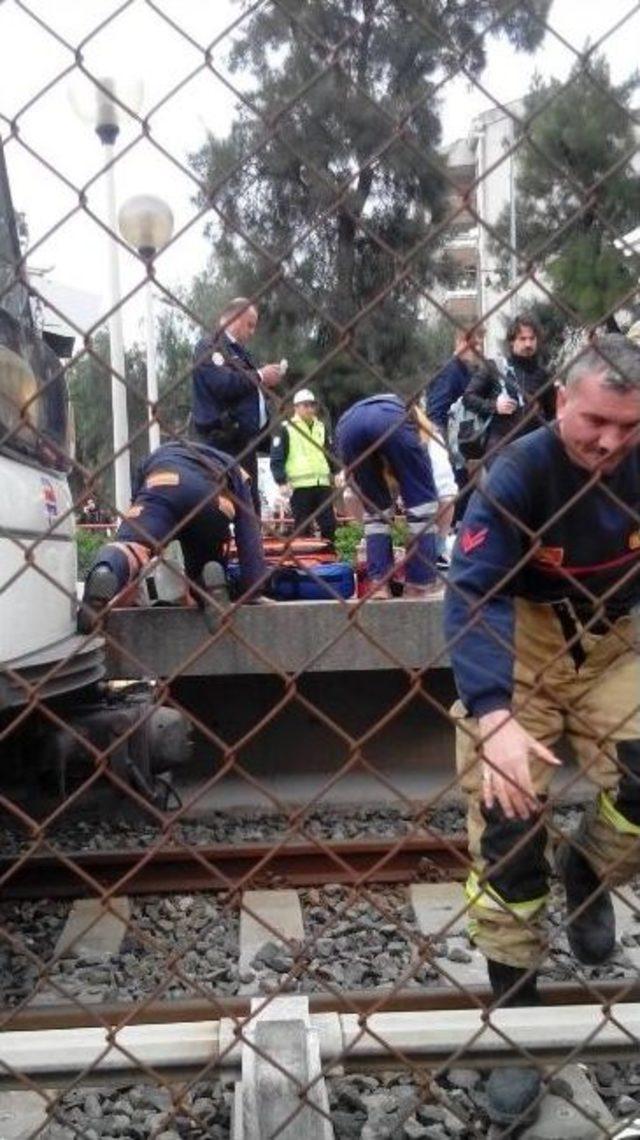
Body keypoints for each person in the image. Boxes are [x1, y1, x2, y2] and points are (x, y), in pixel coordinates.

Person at [443, 334, 640, 1126]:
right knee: (511, 827)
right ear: (562, 401)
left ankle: (589, 872)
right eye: (597, 421)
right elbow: (472, 594)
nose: (611, 443)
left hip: (618, 640)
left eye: (630, 428)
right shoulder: (517, 473)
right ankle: (517, 1025)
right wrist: (493, 718)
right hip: (521, 638)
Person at [78, 440, 269, 632]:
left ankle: (106, 570)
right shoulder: (235, 468)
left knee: (133, 546)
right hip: (213, 499)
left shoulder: (157, 454)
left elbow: (139, 506)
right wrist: (254, 586)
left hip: (162, 483)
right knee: (206, 571)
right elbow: (249, 532)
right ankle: (206, 587)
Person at [336, 394, 439, 599]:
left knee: (376, 511)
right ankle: (419, 583)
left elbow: (356, 490)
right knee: (423, 507)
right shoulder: (419, 424)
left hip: (347, 426)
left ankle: (378, 584)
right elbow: (424, 481)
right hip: (390, 421)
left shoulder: (366, 411)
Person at [191, 297, 284, 512]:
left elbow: (247, 393)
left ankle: (250, 544)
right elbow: (223, 384)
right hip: (221, 441)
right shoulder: (210, 346)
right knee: (222, 507)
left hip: (245, 442)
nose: (252, 332)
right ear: (235, 318)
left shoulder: (242, 353)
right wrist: (260, 375)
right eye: (250, 325)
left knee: (250, 509)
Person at [462, 313, 555, 463]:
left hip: (533, 450)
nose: (528, 344)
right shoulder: (495, 367)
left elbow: (553, 414)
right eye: (522, 339)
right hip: (500, 449)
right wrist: (494, 406)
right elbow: (468, 397)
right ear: (512, 342)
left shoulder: (543, 375)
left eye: (532, 339)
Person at [270, 388, 337, 542]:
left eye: (312, 405)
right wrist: (281, 481)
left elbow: (329, 453)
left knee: (329, 525)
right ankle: (306, 561)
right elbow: (277, 457)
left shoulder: (321, 427)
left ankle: (330, 559)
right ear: (296, 407)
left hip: (322, 484)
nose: (310, 409)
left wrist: (338, 472)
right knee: (303, 528)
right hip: (300, 487)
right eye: (305, 405)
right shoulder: (286, 428)